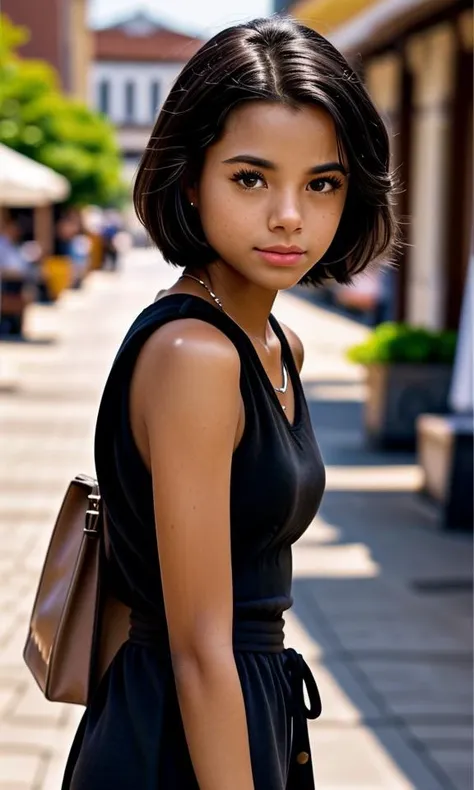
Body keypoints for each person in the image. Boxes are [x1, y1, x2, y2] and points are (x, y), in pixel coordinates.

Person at [62, 16, 397, 790]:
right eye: (251, 178)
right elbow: (199, 645)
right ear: (190, 179)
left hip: (249, 709)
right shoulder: (196, 356)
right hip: (182, 732)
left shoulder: (278, 346)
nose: (290, 214)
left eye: (323, 183)